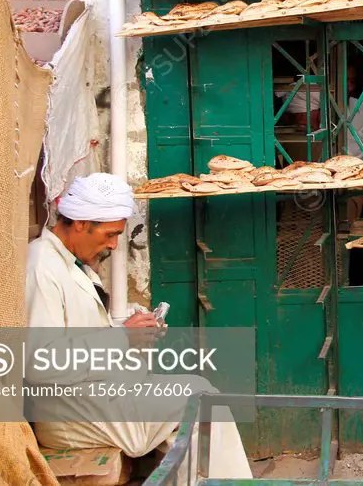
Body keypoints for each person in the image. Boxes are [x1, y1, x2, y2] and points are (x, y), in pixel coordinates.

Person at [25, 173, 252, 478]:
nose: (115, 244)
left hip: (95, 398)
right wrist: (122, 337)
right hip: (71, 414)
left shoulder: (70, 263)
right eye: (109, 234)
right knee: (202, 402)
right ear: (80, 223)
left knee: (197, 401)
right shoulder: (42, 265)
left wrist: (132, 323)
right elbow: (41, 364)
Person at [276, 65, 363, 160]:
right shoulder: (302, 107)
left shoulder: (362, 108)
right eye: (342, 81)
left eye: (352, 81)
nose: (348, 87)